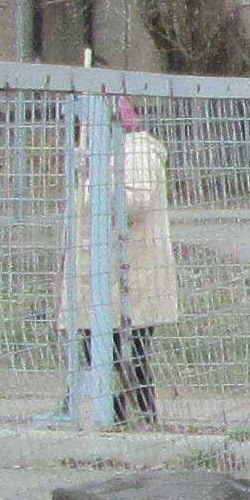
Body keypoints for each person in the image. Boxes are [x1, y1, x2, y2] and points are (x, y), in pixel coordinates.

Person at [61, 95, 181, 427]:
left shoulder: (137, 151)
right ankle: (115, 416)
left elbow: (134, 204)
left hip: (131, 275)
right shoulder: (99, 152)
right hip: (101, 272)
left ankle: (141, 417)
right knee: (97, 350)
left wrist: (97, 180)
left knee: (127, 353)